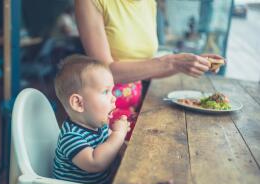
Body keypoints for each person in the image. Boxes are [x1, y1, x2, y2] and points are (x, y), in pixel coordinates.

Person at [74, 0, 224, 140]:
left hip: (132, 105)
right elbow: (105, 72)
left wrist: (185, 62)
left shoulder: (149, 3)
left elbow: (148, 69)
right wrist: (171, 61)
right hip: (102, 112)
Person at [53, 55, 130, 184]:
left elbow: (110, 146)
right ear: (78, 103)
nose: (113, 98)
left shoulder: (98, 124)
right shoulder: (71, 137)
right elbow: (96, 162)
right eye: (106, 92)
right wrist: (118, 135)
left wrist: (121, 141)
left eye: (112, 91)